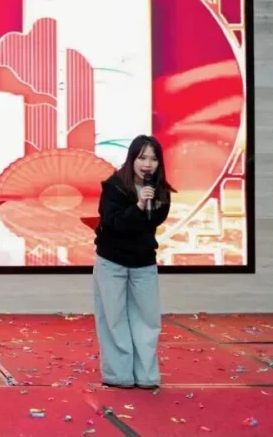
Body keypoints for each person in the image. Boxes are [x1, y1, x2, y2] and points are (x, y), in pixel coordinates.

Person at [93, 135, 173, 390]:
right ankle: (120, 375)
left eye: (153, 159)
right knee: (114, 319)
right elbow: (113, 223)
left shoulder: (160, 191)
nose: (147, 164)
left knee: (148, 319)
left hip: (143, 261)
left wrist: (148, 206)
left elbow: (152, 224)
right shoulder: (114, 186)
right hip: (112, 260)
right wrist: (138, 205)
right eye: (142, 158)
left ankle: (147, 375)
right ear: (132, 159)